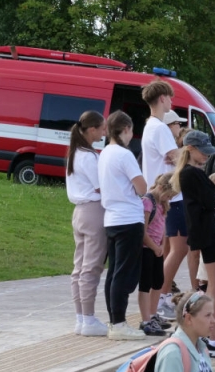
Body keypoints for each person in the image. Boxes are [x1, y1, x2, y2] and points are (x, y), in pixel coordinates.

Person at [172, 130, 215, 361]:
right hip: (203, 229)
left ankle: (212, 335)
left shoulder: (197, 173)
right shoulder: (190, 174)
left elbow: (214, 197)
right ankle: (211, 336)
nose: (206, 157)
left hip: (207, 228)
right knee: (214, 286)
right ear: (190, 149)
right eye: (202, 152)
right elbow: (213, 199)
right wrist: (214, 193)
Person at [98, 111, 148, 340]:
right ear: (126, 129)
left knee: (114, 272)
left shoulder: (105, 152)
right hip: (128, 217)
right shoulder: (124, 154)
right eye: (130, 131)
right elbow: (141, 187)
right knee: (124, 273)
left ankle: (114, 320)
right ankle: (118, 323)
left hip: (111, 218)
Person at [139, 80, 184, 318]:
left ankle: (154, 307)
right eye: (170, 97)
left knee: (162, 249)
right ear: (162, 99)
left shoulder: (150, 126)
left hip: (159, 194)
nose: (171, 102)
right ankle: (157, 303)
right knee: (168, 249)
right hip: (167, 196)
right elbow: (176, 158)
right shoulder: (159, 128)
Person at [66, 110, 109, 337]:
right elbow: (101, 186)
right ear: (91, 129)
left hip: (80, 212)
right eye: (102, 128)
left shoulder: (75, 152)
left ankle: (81, 317)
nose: (104, 132)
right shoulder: (89, 156)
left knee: (80, 267)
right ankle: (89, 318)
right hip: (93, 210)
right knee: (91, 266)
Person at [138, 174, 176, 337]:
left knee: (158, 281)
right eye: (168, 195)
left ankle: (153, 314)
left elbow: (163, 228)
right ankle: (146, 319)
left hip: (157, 248)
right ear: (161, 188)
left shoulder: (162, 203)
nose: (168, 198)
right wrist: (154, 246)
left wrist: (161, 245)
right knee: (145, 284)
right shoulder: (148, 202)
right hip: (147, 248)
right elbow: (143, 230)